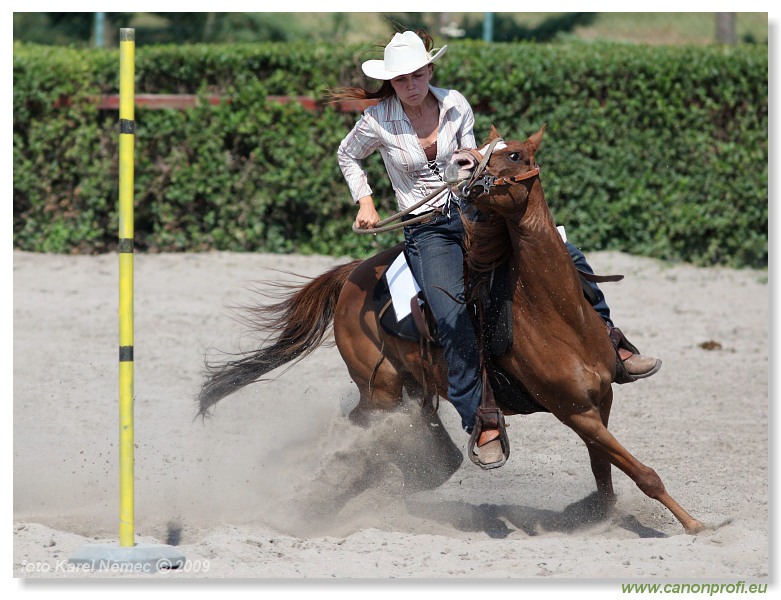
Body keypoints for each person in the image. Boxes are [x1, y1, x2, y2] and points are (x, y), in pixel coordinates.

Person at [334, 30, 660, 468]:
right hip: (427, 230)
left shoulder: (455, 103)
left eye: (417, 74)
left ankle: (615, 343)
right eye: (400, 79)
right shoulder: (377, 121)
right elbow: (347, 155)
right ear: (391, 83)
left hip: (472, 212)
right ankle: (483, 418)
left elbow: (468, 155)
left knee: (566, 254)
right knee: (450, 313)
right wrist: (366, 202)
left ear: (429, 70)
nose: (410, 85)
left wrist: (475, 159)